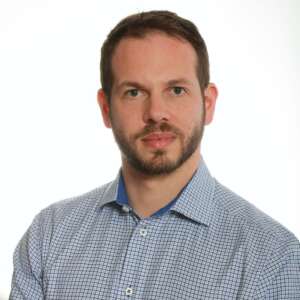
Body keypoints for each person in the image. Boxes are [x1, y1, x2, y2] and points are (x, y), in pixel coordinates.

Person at [10, 10, 300, 300]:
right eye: (134, 93)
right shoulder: (48, 237)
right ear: (106, 108)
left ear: (208, 103)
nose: (155, 113)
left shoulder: (273, 259)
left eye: (176, 90)